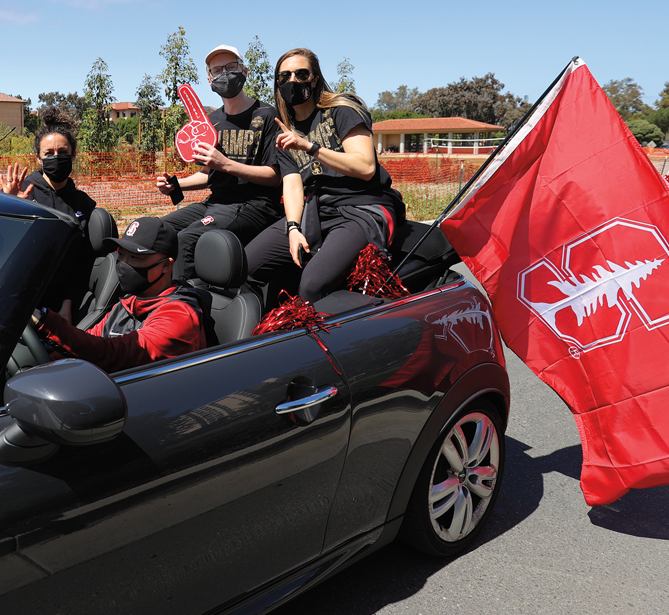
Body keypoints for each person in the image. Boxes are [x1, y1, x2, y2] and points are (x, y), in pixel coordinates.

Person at [244, 48, 405, 304]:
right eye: (284, 77)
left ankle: (379, 322)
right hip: (317, 209)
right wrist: (293, 228)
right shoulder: (284, 130)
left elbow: (366, 168)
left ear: (315, 78)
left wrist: (310, 147)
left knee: (311, 285)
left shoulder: (341, 110)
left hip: (360, 207)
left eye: (301, 74)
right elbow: (293, 183)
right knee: (245, 266)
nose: (292, 81)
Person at [156, 44, 283, 280]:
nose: (224, 74)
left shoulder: (267, 115)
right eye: (217, 70)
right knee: (156, 231)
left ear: (244, 71)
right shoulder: (209, 122)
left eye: (231, 67)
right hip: (216, 203)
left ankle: (184, 306)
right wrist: (175, 185)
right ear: (209, 79)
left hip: (255, 206)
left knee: (187, 239)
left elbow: (275, 177)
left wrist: (226, 164)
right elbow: (209, 174)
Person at [35, 217, 206, 373]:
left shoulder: (179, 316)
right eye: (121, 254)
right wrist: (43, 366)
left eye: (135, 257)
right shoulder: (130, 302)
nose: (123, 264)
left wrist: (45, 321)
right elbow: (89, 340)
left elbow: (113, 354)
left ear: (166, 266)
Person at [2, 107, 97, 319]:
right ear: (38, 158)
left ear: (73, 154)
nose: (56, 158)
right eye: (49, 154)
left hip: (58, 307)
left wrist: (67, 306)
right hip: (15, 298)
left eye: (63, 153)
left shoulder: (84, 204)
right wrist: (9, 207)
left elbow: (80, 263)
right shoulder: (20, 192)